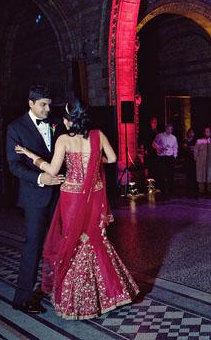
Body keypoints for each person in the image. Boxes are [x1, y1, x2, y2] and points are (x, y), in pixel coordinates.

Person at [14, 99, 139, 320]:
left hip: (71, 197)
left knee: (72, 242)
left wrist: (31, 156)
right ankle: (110, 294)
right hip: (93, 195)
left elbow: (52, 170)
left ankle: (77, 300)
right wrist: (92, 159)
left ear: (67, 120)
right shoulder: (98, 135)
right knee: (95, 240)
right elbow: (112, 158)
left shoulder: (63, 139)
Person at [6, 85, 65, 314]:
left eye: (49, 104)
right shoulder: (15, 127)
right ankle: (22, 298)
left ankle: (62, 291)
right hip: (34, 196)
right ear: (30, 103)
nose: (48, 109)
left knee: (60, 243)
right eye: (43, 104)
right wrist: (41, 178)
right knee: (33, 246)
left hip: (59, 195)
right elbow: (14, 165)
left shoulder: (56, 123)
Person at [153, 124, 178, 194]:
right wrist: (159, 148)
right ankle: (163, 189)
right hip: (162, 157)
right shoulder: (160, 135)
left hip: (170, 157)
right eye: (168, 129)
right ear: (165, 128)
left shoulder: (174, 137)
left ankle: (171, 189)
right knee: (162, 173)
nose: (169, 131)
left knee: (171, 173)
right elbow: (154, 143)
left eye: (171, 129)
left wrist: (175, 156)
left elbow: (175, 147)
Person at [194, 127, 211, 193]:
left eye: (208, 132)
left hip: (210, 161)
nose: (207, 133)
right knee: (201, 175)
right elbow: (195, 150)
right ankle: (201, 190)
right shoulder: (199, 141)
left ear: (210, 133)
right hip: (201, 161)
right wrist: (196, 158)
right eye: (206, 131)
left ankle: (210, 189)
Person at [142, 117, 160, 186]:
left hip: (155, 152)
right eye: (154, 122)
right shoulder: (147, 131)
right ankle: (147, 181)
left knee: (154, 166)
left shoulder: (156, 131)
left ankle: (153, 182)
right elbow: (145, 140)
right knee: (148, 166)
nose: (155, 124)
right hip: (149, 151)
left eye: (156, 123)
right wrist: (146, 149)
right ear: (151, 123)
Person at [182, 128, 197, 193]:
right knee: (188, 173)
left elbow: (196, 148)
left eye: (192, 132)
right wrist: (190, 147)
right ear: (188, 133)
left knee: (194, 172)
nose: (191, 134)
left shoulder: (196, 140)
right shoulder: (185, 140)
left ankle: (194, 187)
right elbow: (184, 147)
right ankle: (188, 187)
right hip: (187, 158)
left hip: (194, 158)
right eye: (190, 132)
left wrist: (191, 147)